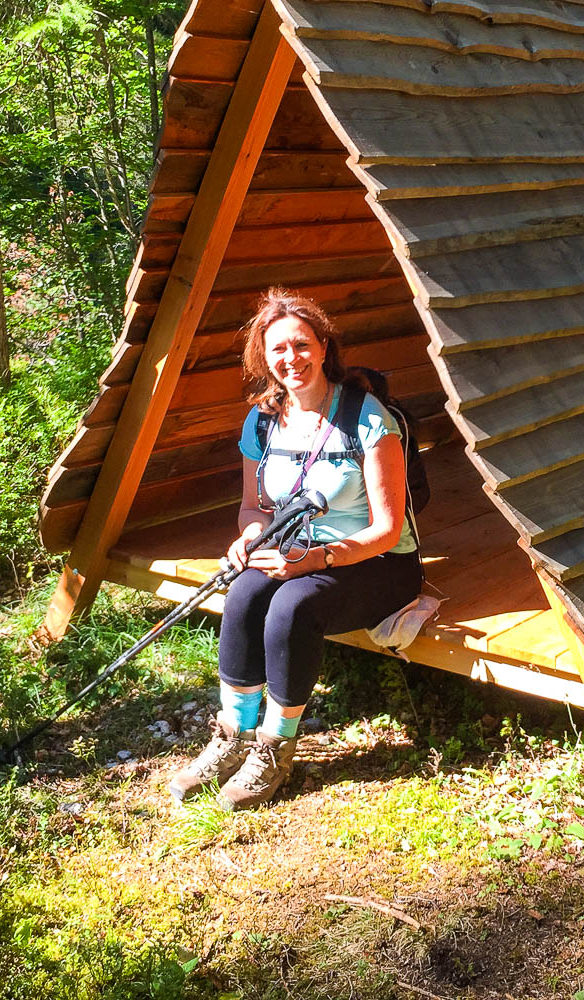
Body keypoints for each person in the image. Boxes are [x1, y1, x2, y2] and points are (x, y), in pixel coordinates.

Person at [168, 289, 423, 809]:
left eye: (302, 345)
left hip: (378, 561)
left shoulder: (367, 418)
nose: (292, 360)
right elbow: (253, 509)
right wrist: (246, 539)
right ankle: (232, 736)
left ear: (324, 347)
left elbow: (390, 529)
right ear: (265, 358)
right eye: (279, 350)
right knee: (242, 595)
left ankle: (274, 748)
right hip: (294, 551)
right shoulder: (262, 420)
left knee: (291, 606)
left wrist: (318, 560)